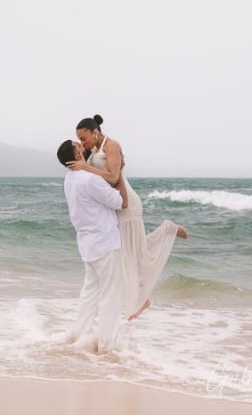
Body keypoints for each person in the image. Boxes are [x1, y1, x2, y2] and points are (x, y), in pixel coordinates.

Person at [67, 114, 187, 321]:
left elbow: (114, 177)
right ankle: (142, 298)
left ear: (95, 132)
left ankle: (168, 230)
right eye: (80, 139)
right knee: (130, 252)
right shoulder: (93, 149)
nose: (82, 142)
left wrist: (87, 167)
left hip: (128, 205)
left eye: (84, 138)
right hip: (114, 205)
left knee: (132, 253)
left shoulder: (112, 146)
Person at [57, 139, 135, 353]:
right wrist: (119, 173)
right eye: (78, 145)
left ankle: (80, 334)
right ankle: (107, 345)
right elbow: (121, 202)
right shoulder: (90, 179)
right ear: (77, 155)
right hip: (105, 243)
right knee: (110, 295)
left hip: (87, 244)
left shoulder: (69, 179)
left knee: (89, 293)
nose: (82, 145)